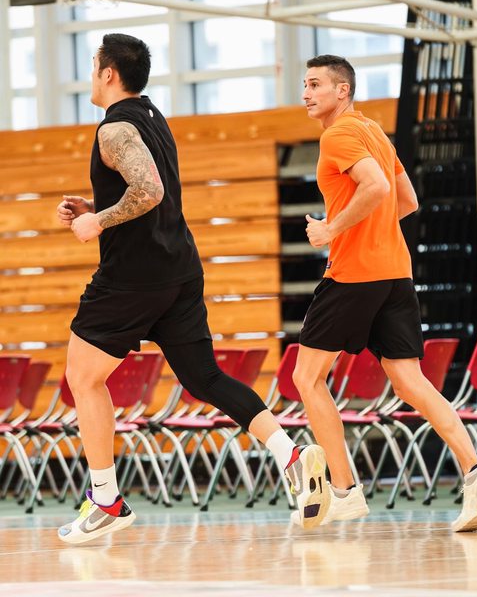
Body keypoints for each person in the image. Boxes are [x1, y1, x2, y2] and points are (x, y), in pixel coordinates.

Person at [56, 34, 330, 544]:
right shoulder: (152, 117)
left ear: (108, 73)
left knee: (83, 377)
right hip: (178, 269)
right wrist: (95, 207)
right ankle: (290, 454)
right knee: (204, 378)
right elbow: (148, 193)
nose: (90, 74)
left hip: (131, 278)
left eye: (93, 65)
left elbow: (149, 189)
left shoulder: (114, 128)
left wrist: (98, 222)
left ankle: (106, 500)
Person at [292, 54, 477, 532]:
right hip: (395, 272)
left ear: (342, 90)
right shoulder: (374, 132)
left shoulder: (338, 135)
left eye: (315, 84)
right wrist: (371, 229)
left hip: (353, 275)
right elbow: (407, 199)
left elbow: (376, 188)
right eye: (304, 85)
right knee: (410, 380)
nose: (306, 94)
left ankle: (344, 491)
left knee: (307, 378)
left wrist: (331, 229)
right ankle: (476, 472)